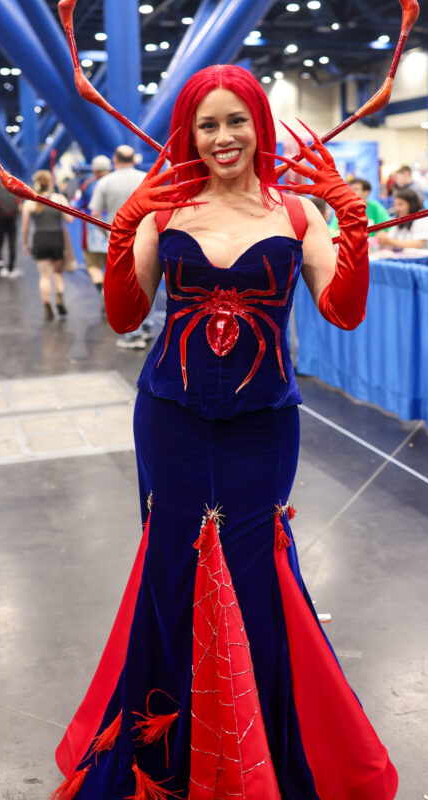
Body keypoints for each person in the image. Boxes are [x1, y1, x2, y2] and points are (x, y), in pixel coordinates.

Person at [51, 66, 397, 800]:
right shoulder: (164, 210)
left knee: (251, 578)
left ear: (259, 125)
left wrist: (351, 221)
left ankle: (263, 752)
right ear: (189, 133)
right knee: (173, 573)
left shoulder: (298, 215)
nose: (222, 138)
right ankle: (167, 752)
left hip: (262, 429)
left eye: (234, 121)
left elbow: (343, 310)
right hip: (170, 421)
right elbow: (121, 315)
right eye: (206, 125)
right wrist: (124, 226)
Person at [90, 144, 152, 349]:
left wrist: (109, 234)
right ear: (134, 160)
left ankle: (132, 335)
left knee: (126, 285)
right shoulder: (145, 178)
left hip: (120, 242)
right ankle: (147, 327)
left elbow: (95, 213)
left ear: (114, 161)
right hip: (148, 238)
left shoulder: (105, 182)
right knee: (149, 280)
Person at [21, 169, 74, 320]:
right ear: (51, 181)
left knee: (44, 276)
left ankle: (47, 307)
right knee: (58, 272)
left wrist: (25, 243)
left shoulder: (30, 201)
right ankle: (59, 297)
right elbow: (69, 219)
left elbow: (25, 227)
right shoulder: (59, 198)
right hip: (56, 237)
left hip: (40, 238)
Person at [75, 154, 111, 300]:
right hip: (116, 229)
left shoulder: (87, 185)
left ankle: (102, 290)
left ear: (94, 170)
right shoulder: (115, 181)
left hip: (92, 232)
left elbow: (76, 204)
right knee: (113, 268)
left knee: (93, 266)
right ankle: (112, 294)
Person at [376, 187, 428, 252]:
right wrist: (382, 239)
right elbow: (389, 239)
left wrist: (389, 241)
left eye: (400, 204)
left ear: (411, 204)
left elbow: (418, 244)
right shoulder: (398, 219)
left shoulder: (423, 218)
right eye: (395, 205)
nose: (397, 208)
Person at [0, 179, 20, 276]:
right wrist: (16, 217)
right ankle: (11, 267)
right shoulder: (14, 191)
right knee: (12, 243)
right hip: (12, 221)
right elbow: (20, 207)